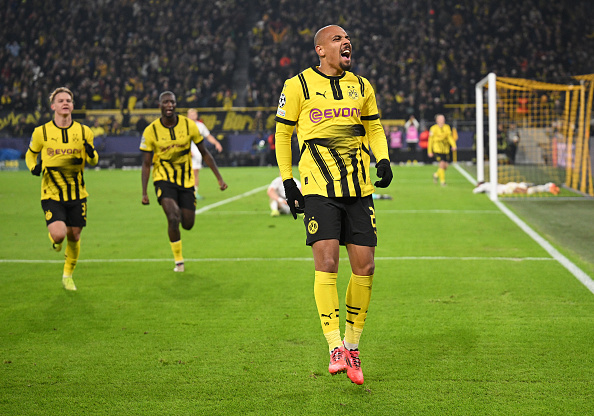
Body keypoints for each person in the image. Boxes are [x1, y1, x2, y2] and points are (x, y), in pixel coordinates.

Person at [274, 25, 393, 385]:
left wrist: (382, 159)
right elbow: (282, 133)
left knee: (366, 267)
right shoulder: (298, 85)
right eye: (338, 39)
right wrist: (288, 180)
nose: (346, 42)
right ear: (320, 50)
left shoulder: (362, 85)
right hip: (317, 186)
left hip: (358, 186)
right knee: (327, 262)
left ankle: (352, 345)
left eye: (348, 39)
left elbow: (374, 128)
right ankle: (334, 346)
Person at [141, 92, 227, 272]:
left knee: (187, 224)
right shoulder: (151, 131)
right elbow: (146, 163)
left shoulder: (189, 126)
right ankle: (179, 261)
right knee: (173, 218)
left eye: (172, 101)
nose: (169, 105)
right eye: (166, 102)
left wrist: (219, 178)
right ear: (160, 106)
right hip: (163, 180)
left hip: (186, 182)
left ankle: (178, 208)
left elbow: (205, 153)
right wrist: (144, 192)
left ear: (176, 104)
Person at [25, 87, 99, 291]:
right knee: (59, 234)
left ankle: (68, 275)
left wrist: (92, 152)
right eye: (61, 100)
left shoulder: (85, 132)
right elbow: (30, 154)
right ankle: (55, 241)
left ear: (73, 105)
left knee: (74, 235)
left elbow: (93, 161)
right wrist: (33, 167)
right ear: (53, 106)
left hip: (78, 193)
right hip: (51, 192)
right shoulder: (41, 132)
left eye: (68, 100)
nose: (65, 103)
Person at [186, 108, 223, 199]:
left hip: (196, 152)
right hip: (184, 152)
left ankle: (194, 192)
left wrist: (216, 143)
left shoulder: (200, 126)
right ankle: (185, 192)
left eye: (194, 115)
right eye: (191, 115)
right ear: (187, 116)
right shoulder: (184, 126)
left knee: (195, 172)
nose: (193, 116)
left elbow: (208, 136)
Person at [428, 114, 457, 186]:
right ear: (437, 120)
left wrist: (453, 145)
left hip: (445, 149)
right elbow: (430, 140)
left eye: (443, 119)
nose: (442, 120)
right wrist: (430, 151)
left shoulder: (447, 127)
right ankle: (443, 182)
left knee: (445, 166)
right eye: (440, 119)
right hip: (437, 149)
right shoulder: (433, 128)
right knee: (441, 165)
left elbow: (449, 137)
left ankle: (436, 175)